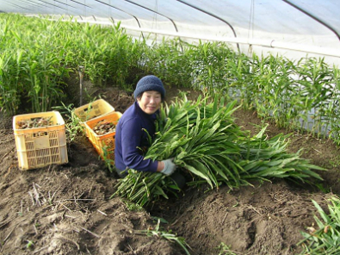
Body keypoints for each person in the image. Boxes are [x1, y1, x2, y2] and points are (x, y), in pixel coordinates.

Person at [114, 75, 177, 178]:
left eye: (157, 97)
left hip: (145, 153)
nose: (152, 102)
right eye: (148, 96)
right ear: (139, 97)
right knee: (179, 181)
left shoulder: (153, 110)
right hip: (129, 170)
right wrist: (161, 166)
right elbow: (131, 159)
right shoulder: (132, 121)